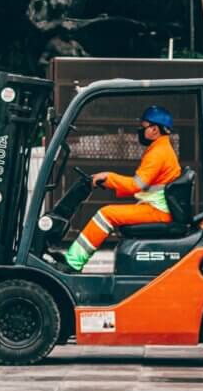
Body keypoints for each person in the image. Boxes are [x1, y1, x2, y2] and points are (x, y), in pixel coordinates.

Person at [63, 105, 181, 272]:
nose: (140, 130)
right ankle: (72, 260)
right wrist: (109, 180)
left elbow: (136, 185)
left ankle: (72, 263)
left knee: (106, 214)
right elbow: (142, 185)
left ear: (155, 130)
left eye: (143, 126)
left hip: (158, 211)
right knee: (109, 213)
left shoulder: (158, 153)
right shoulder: (160, 149)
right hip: (157, 208)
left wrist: (109, 177)